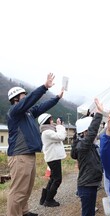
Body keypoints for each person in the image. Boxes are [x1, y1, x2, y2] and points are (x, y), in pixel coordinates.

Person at [6, 73, 63, 216]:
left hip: (28, 155)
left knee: (27, 188)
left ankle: (24, 211)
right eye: (23, 96)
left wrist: (56, 98)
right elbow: (31, 100)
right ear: (16, 99)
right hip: (19, 156)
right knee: (18, 190)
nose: (25, 97)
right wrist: (44, 87)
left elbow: (41, 106)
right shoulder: (14, 112)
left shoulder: (28, 113)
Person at [73, 98, 103, 216]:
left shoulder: (86, 145)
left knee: (90, 212)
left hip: (89, 184)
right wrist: (99, 114)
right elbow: (92, 133)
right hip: (87, 186)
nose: (95, 134)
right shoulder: (83, 146)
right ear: (85, 132)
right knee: (87, 213)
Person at [38, 113, 67, 207]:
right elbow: (61, 137)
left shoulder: (48, 131)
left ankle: (44, 199)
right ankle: (49, 200)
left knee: (53, 178)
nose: (52, 121)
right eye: (51, 119)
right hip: (53, 158)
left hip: (53, 157)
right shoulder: (47, 132)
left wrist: (58, 126)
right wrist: (59, 126)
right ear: (47, 121)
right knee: (57, 179)